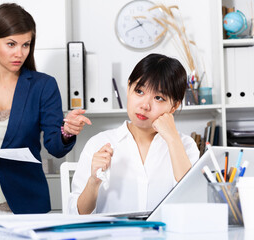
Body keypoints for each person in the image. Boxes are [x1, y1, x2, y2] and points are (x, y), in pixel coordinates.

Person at [0, 3, 91, 221]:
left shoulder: (43, 86)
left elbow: (55, 146)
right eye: (11, 44)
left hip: (26, 201)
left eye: (26, 45)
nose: (19, 53)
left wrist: (67, 131)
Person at [68, 53, 200, 215]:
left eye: (158, 97)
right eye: (139, 91)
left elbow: (194, 204)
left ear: (174, 106)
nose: (145, 105)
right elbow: (76, 214)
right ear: (129, 88)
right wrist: (93, 182)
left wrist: (173, 140)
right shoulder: (99, 143)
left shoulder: (185, 145)